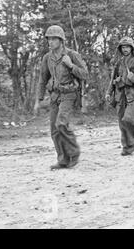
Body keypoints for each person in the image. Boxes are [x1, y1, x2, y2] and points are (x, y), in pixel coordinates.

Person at [37, 25, 89, 170]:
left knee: (61, 124)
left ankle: (74, 152)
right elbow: (43, 78)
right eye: (49, 39)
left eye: (54, 39)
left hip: (69, 94)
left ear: (61, 40)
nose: (50, 41)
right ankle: (63, 159)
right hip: (54, 95)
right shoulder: (47, 57)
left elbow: (85, 74)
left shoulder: (71, 55)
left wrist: (71, 65)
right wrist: (39, 98)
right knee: (54, 130)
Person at [105, 36, 134, 155]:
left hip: (133, 95)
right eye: (123, 47)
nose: (125, 49)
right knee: (121, 122)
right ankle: (126, 146)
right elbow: (112, 80)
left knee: (127, 119)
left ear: (131, 48)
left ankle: (131, 142)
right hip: (120, 96)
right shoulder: (118, 63)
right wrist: (109, 93)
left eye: (127, 47)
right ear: (120, 49)